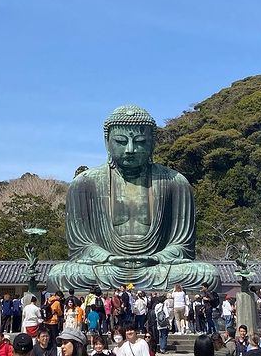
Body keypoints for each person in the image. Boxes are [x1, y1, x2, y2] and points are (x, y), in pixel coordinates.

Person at [47, 106, 221, 291]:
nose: (130, 149)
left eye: (140, 142)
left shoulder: (176, 183)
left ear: (152, 143)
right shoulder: (84, 183)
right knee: (61, 274)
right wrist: (107, 257)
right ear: (107, 142)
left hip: (157, 266)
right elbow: (80, 245)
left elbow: (182, 245)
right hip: (106, 267)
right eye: (121, 141)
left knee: (206, 274)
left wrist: (158, 258)